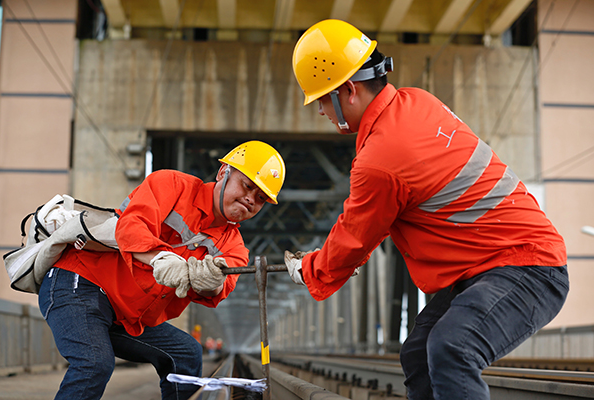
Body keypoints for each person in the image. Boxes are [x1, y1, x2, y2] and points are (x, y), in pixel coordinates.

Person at [285, 19, 569, 400]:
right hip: (489, 265)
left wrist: (310, 270)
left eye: (321, 99)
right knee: (418, 353)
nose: (320, 110)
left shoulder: (380, 159)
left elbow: (354, 237)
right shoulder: (416, 101)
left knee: (452, 348)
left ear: (348, 90)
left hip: (528, 267)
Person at [38, 140, 285, 400]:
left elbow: (222, 288)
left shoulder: (234, 246)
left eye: (261, 198)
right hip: (79, 283)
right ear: (223, 172)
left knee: (186, 353)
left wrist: (211, 283)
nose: (250, 199)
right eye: (247, 186)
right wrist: (160, 259)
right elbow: (131, 226)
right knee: (94, 363)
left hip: (122, 312)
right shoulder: (172, 186)